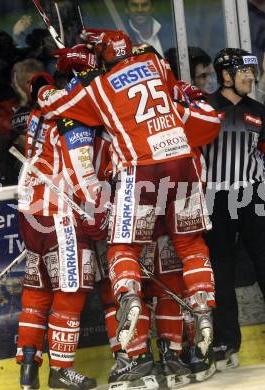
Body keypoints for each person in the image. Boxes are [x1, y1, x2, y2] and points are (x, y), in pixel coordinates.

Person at [36, 30, 221, 376]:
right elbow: (203, 117)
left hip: (140, 169)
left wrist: (49, 84)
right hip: (181, 162)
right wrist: (96, 56)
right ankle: (203, 304)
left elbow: (52, 107)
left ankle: (129, 297)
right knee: (191, 243)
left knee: (123, 247)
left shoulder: (98, 89)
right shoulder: (157, 64)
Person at [16, 69, 104, 390]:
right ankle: (61, 370)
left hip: (30, 213)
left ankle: (28, 365)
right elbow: (82, 174)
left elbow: (39, 86)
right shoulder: (73, 117)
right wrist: (99, 212)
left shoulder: (41, 109)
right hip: (60, 213)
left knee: (37, 291)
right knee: (70, 291)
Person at [203, 47, 265, 371]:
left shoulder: (259, 110)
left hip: (254, 196)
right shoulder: (206, 109)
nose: (251, 77)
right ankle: (227, 341)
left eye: (251, 72)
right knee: (221, 272)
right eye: (244, 71)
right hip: (218, 199)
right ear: (226, 75)